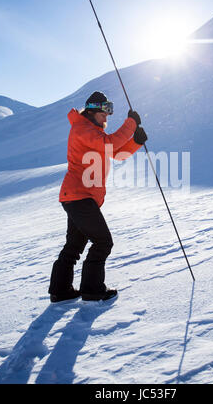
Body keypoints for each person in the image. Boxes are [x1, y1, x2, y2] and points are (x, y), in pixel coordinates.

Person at [48, 91, 147, 302]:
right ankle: (92, 290)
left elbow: (116, 153)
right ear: (93, 110)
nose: (107, 117)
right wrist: (130, 123)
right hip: (79, 196)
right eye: (105, 111)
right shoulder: (82, 128)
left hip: (78, 196)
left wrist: (136, 142)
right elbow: (110, 144)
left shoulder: (91, 131)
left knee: (74, 245)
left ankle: (61, 291)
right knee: (103, 241)